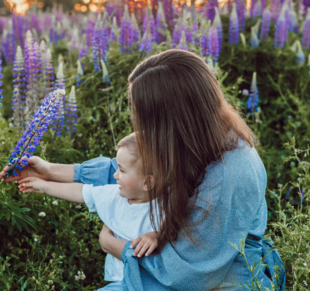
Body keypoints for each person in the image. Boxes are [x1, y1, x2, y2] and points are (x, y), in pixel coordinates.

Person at [1, 49, 286, 290]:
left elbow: (188, 274)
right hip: (178, 267)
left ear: (174, 119)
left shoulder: (230, 173)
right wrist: (49, 170)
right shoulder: (202, 140)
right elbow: (133, 170)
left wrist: (115, 247)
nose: (141, 127)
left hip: (217, 280)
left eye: (146, 118)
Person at [17, 133, 160, 290]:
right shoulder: (114, 195)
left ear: (147, 182)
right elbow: (81, 192)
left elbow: (177, 229)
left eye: (121, 170)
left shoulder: (166, 205)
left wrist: (157, 235)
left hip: (151, 282)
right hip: (120, 280)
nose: (115, 175)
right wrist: (43, 186)